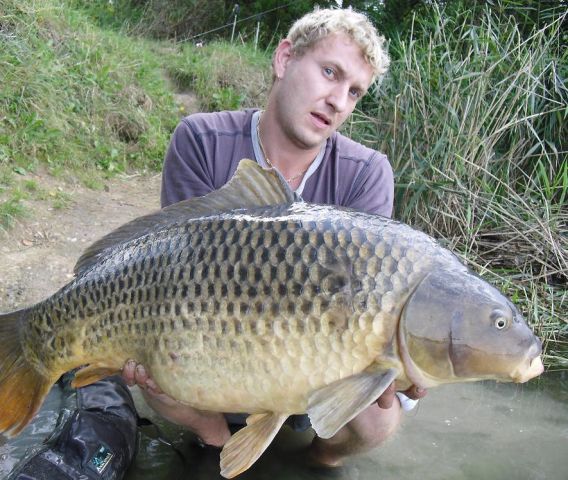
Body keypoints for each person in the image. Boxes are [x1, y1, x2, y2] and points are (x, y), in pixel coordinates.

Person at [122, 6, 426, 470]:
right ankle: (214, 439)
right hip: (213, 345)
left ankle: (316, 460)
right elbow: (175, 269)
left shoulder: (367, 173)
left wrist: (397, 359)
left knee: (378, 420)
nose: (338, 100)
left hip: (313, 366)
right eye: (330, 72)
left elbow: (362, 306)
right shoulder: (201, 138)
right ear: (285, 59)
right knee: (158, 364)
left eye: (354, 91)